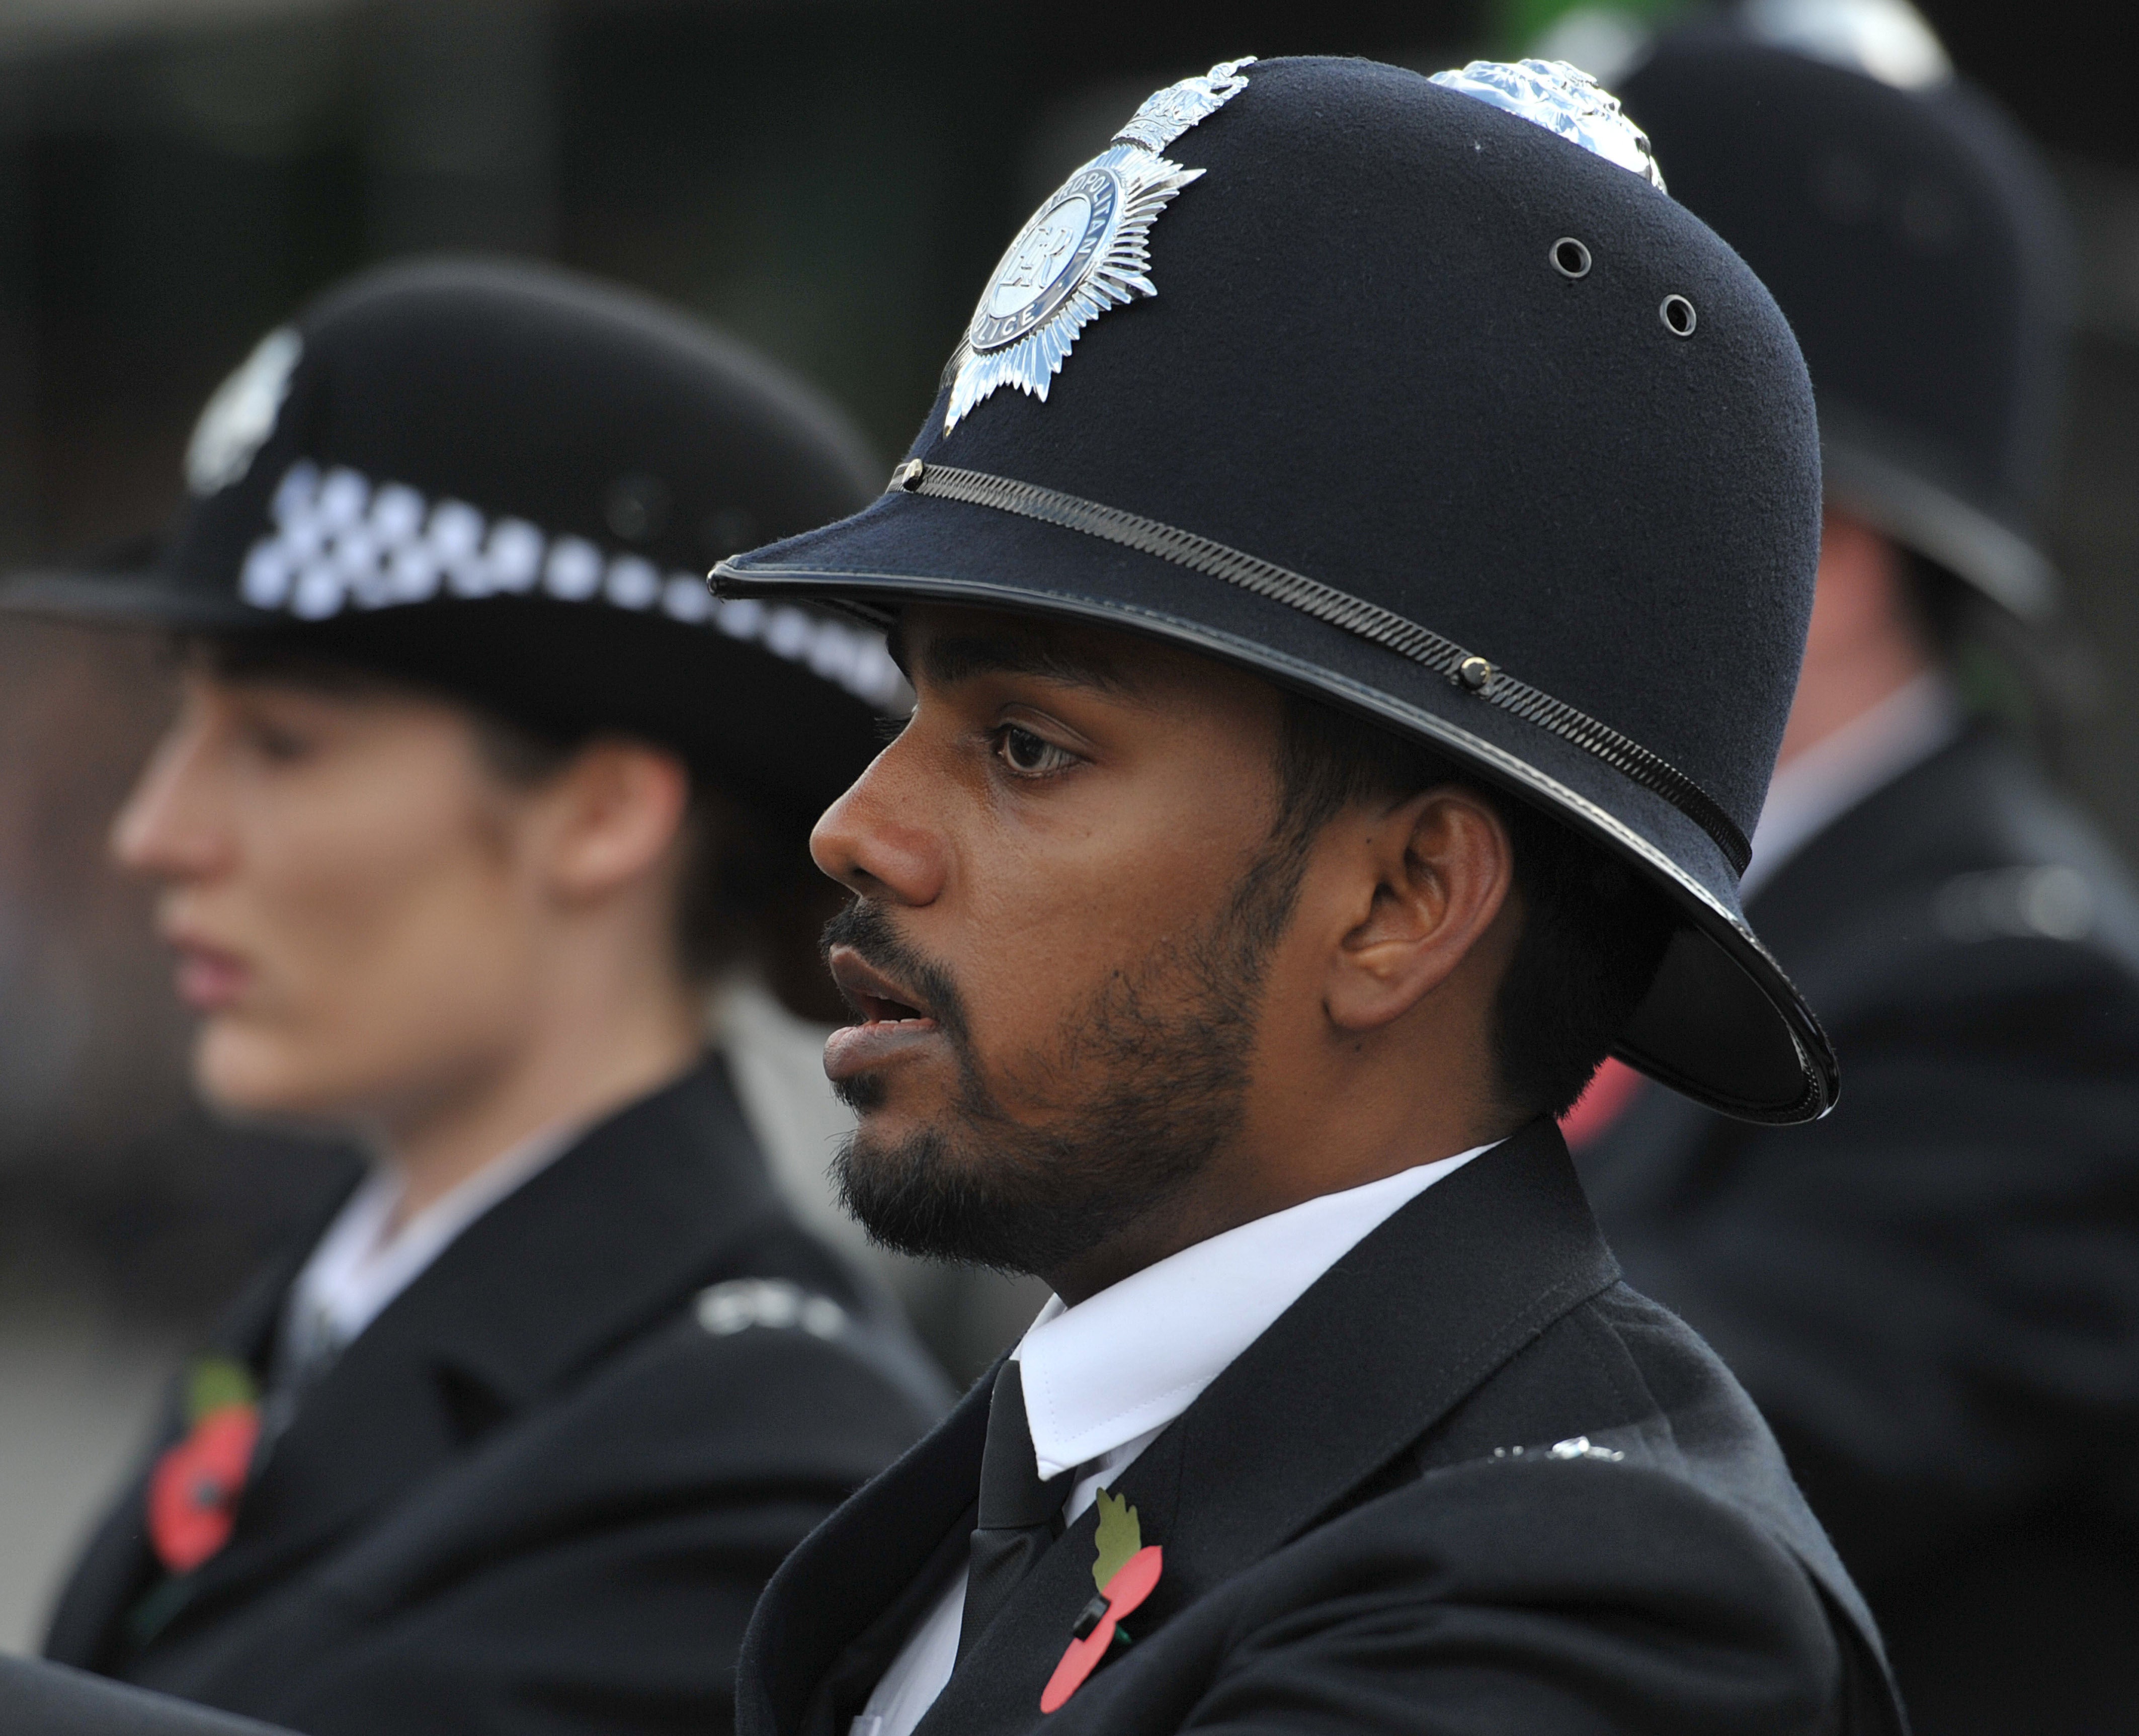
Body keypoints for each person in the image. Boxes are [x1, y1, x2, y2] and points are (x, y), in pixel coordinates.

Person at [699, 54, 1904, 1735]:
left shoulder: (1579, 1606)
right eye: (912, 711)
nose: (856, 829)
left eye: (1028, 744)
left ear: (1403, 899)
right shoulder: (1066, 1474)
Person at [0, 258, 948, 1736]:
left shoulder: (755, 1459)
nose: (155, 832)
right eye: (183, 723)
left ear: (601, 815)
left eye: (282, 743)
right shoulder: (338, 1302)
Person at [1564, 17, 2139, 1733]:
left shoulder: (2028, 1016)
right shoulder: (1611, 891)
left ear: (1810, 524)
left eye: (1572, 442)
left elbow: (1632, 1461)